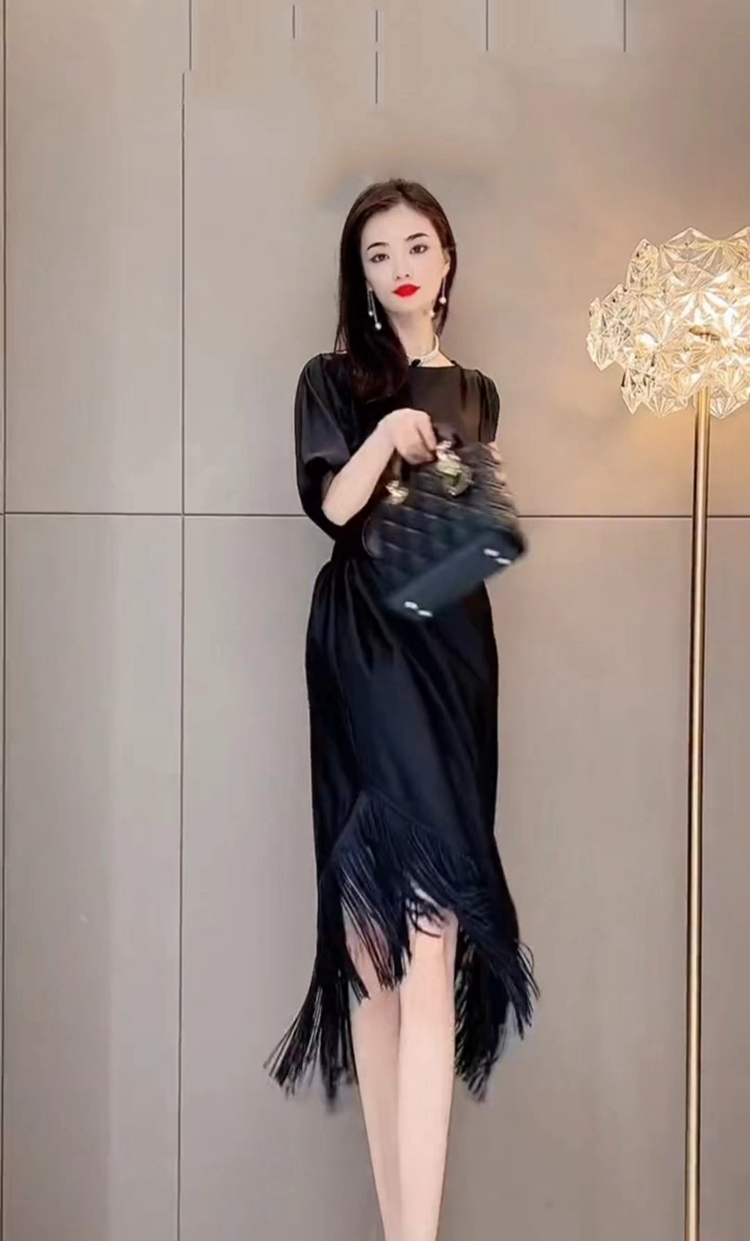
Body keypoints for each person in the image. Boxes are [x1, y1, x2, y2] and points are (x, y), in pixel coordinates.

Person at [266, 177, 539, 1241]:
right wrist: (389, 437)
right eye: (377, 254)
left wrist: (472, 469)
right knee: (380, 951)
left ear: (447, 257)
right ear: (361, 277)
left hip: (453, 652)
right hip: (365, 651)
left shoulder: (477, 390)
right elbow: (333, 505)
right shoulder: (331, 380)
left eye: (416, 245)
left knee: (427, 949)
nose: (400, 267)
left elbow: (475, 530)